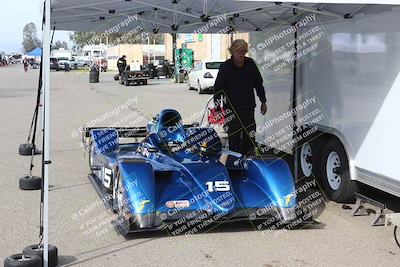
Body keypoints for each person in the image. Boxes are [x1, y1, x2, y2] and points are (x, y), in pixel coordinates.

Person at [213, 39, 267, 156]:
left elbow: (258, 84)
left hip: (248, 107)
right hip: (231, 109)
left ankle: (249, 158)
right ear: (232, 51)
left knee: (250, 135)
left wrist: (263, 101)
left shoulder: (250, 64)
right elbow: (218, 89)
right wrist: (217, 109)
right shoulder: (225, 67)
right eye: (238, 51)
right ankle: (234, 162)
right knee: (234, 138)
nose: (241, 54)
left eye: (243, 51)